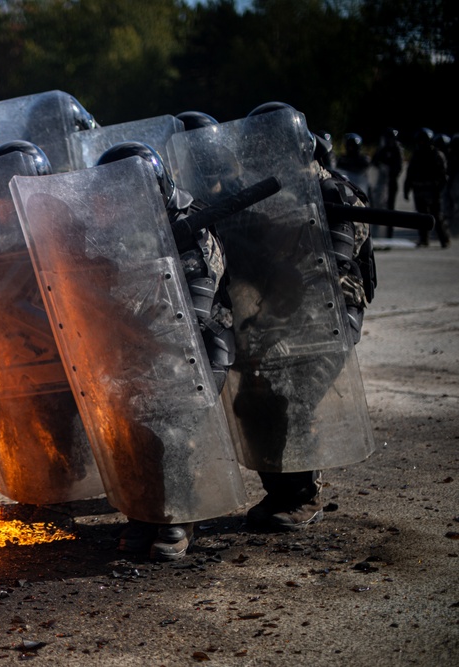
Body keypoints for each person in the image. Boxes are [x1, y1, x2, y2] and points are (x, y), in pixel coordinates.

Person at [234, 102, 376, 531]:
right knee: (252, 400)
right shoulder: (272, 192)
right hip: (280, 312)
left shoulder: (333, 194)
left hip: (329, 318)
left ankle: (302, 496)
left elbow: (327, 275)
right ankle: (281, 491)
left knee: (293, 397)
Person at [97, 142, 237, 561]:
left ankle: (178, 513)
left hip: (195, 349)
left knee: (173, 421)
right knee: (122, 416)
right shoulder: (113, 230)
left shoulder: (193, 229)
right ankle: (143, 511)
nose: (115, 204)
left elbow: (188, 316)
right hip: (137, 346)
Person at [404, 128, 450, 248]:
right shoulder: (416, 154)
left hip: (433, 191)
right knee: (421, 216)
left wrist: (438, 190)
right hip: (419, 190)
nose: (421, 143)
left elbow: (443, 175)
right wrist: (406, 188)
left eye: (423, 141)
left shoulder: (437, 155)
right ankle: (424, 239)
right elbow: (410, 173)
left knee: (437, 216)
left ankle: (444, 239)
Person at [371, 127, 403, 236]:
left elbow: (399, 167)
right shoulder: (382, 149)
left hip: (391, 183)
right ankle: (377, 231)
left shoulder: (397, 149)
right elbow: (374, 162)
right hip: (381, 182)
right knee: (378, 205)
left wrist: (390, 172)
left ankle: (389, 233)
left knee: (390, 208)